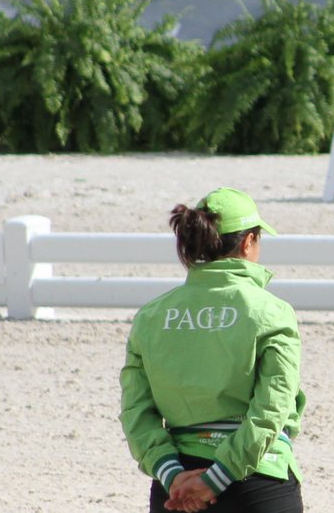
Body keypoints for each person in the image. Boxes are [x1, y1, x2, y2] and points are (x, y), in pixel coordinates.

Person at [121, 187, 307, 513]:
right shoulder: (272, 312)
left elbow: (135, 411)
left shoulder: (150, 316)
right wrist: (215, 480)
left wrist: (172, 474)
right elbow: (271, 410)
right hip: (257, 481)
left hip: (176, 486)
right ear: (249, 242)